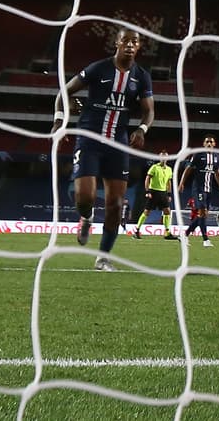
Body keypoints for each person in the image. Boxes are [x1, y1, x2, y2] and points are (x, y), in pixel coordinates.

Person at [50, 27, 155, 272]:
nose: (130, 45)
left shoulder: (142, 76)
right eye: (126, 40)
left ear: (139, 47)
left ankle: (103, 258)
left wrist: (141, 129)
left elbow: (149, 111)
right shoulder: (98, 68)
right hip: (89, 139)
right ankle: (85, 217)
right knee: (84, 198)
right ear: (116, 43)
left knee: (116, 205)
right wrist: (58, 121)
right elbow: (64, 92)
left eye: (135, 42)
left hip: (118, 145)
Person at [177, 135, 219, 248]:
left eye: (211, 142)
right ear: (204, 144)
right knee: (203, 212)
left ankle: (184, 235)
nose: (209, 144)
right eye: (207, 142)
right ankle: (205, 240)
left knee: (203, 215)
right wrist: (182, 183)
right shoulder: (198, 155)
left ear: (214, 144)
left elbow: (217, 173)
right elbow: (188, 169)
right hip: (198, 189)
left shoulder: (216, 157)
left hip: (209, 189)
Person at [134, 150, 177, 240]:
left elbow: (169, 182)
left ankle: (167, 232)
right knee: (147, 212)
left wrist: (169, 194)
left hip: (163, 193)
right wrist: (147, 191)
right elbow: (147, 179)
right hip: (153, 192)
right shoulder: (154, 167)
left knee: (167, 211)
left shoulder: (169, 169)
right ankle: (137, 231)